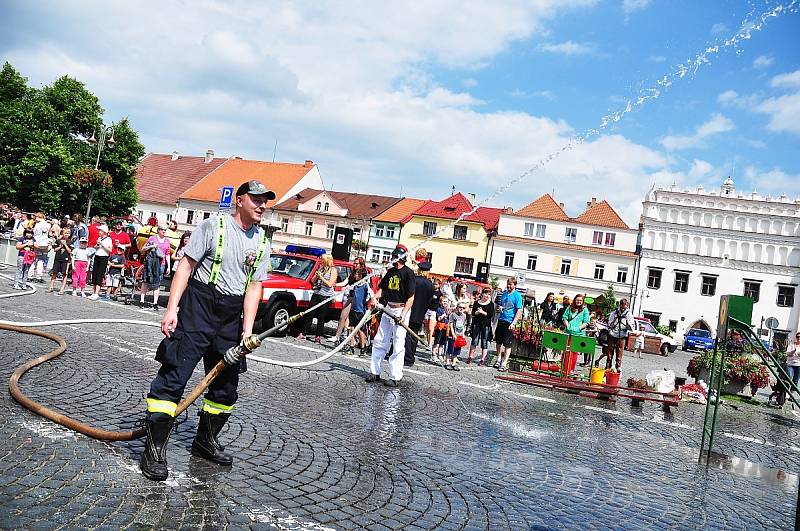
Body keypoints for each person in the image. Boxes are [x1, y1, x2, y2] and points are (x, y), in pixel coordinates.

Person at [140, 179, 273, 482]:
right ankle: (154, 449)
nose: (262, 205)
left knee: (226, 386)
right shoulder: (214, 227)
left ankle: (204, 441)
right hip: (199, 305)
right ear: (240, 200)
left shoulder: (263, 241)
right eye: (256, 199)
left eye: (265, 200)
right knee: (175, 375)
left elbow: (255, 287)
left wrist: (247, 330)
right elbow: (185, 267)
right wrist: (172, 309)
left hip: (230, 316)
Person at [366, 244, 415, 387]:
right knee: (380, 340)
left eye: (394, 256)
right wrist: (375, 298)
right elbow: (383, 289)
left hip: (401, 309)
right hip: (388, 308)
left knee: (398, 344)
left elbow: (411, 297)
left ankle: (395, 376)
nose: (391, 259)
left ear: (399, 258)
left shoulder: (408, 273)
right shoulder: (391, 272)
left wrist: (403, 315)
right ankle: (374, 372)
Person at [299, 254, 338, 343]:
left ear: (327, 260)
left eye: (322, 260)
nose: (321, 261)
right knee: (310, 314)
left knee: (321, 316)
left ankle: (318, 336)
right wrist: (316, 276)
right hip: (316, 293)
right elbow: (312, 281)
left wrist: (321, 277)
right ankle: (303, 334)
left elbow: (330, 284)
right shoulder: (321, 268)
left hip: (325, 296)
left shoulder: (333, 270)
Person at [403, 260, 435, 367]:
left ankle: (405, 357)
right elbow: (431, 303)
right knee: (414, 336)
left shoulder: (413, 280)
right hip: (420, 313)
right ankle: (410, 357)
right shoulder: (430, 285)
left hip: (409, 310)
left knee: (405, 334)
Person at [139, 225, 171, 309]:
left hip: (161, 264)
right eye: (162, 229)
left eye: (165, 230)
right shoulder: (152, 238)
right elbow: (143, 249)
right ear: (158, 230)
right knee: (146, 280)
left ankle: (155, 302)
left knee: (157, 283)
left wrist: (168, 266)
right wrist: (151, 246)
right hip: (150, 262)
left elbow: (167, 254)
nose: (164, 231)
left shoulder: (167, 241)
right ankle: (142, 300)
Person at [495, 278, 523, 372]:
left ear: (514, 285)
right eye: (508, 284)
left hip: (509, 322)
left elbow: (519, 310)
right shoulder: (504, 294)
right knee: (498, 341)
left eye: (510, 284)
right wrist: (499, 309)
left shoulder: (517, 296)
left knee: (507, 343)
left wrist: (514, 323)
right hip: (501, 319)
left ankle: (504, 362)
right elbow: (500, 305)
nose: (508, 286)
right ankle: (498, 359)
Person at [605, 298, 635, 372]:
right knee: (609, 355)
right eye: (621, 306)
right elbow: (609, 325)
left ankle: (617, 371)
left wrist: (627, 321)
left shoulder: (629, 314)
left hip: (622, 336)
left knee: (619, 356)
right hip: (612, 335)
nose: (622, 308)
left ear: (627, 306)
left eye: (624, 306)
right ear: (619, 305)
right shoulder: (614, 313)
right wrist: (615, 319)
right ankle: (607, 370)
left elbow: (631, 328)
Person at [467, 288, 495, 365]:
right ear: (482, 294)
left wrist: (482, 312)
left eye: (489, 294)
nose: (487, 295)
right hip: (476, 324)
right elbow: (473, 313)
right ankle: (470, 356)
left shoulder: (491, 304)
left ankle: (483, 359)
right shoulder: (476, 303)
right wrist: (477, 312)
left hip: (485, 325)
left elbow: (490, 315)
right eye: (486, 293)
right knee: (474, 341)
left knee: (484, 341)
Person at [87, 225, 113, 300]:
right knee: (94, 273)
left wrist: (102, 244)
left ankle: (97, 293)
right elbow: (98, 246)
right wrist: (97, 246)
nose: (99, 232)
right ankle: (93, 291)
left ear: (104, 232)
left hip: (103, 257)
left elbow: (110, 249)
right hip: (97, 256)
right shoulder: (99, 238)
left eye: (100, 231)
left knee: (99, 274)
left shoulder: (108, 239)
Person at [48, 229, 72, 294]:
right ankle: (51, 287)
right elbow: (55, 249)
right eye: (65, 233)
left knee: (64, 274)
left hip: (65, 260)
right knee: (54, 273)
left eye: (68, 233)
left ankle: (62, 289)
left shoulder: (70, 241)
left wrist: (65, 245)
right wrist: (60, 246)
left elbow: (70, 251)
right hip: (57, 259)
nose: (67, 234)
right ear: (62, 233)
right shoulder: (58, 241)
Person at [446, 302, 468, 371]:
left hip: (459, 335)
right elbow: (451, 325)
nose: (461, 309)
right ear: (457, 307)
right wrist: (453, 334)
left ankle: (454, 363)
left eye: (463, 308)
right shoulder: (453, 315)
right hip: (452, 335)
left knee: (457, 351)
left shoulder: (464, 316)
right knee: (450, 349)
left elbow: (464, 325)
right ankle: (447, 362)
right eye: (460, 307)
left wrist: (463, 334)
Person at [31, 212, 51, 283]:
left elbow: (35, 233)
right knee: (41, 259)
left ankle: (30, 275)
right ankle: (39, 276)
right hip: (44, 243)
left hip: (37, 242)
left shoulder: (37, 225)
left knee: (34, 259)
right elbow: (49, 233)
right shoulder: (48, 224)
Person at [425, 278, 443, 347]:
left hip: (434, 311)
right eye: (433, 284)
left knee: (430, 328)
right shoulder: (430, 291)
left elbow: (441, 303)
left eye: (436, 284)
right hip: (427, 310)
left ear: (439, 285)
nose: (434, 285)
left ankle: (430, 344)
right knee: (426, 329)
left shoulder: (440, 294)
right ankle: (428, 342)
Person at [433, 296, 451, 362]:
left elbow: (449, 318)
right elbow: (438, 318)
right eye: (444, 301)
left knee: (442, 343)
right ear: (440, 302)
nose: (445, 303)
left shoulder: (447, 309)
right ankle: (434, 354)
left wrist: (448, 314)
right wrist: (444, 315)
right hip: (440, 327)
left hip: (445, 327)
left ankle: (440, 354)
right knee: (436, 342)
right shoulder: (439, 309)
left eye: (446, 301)